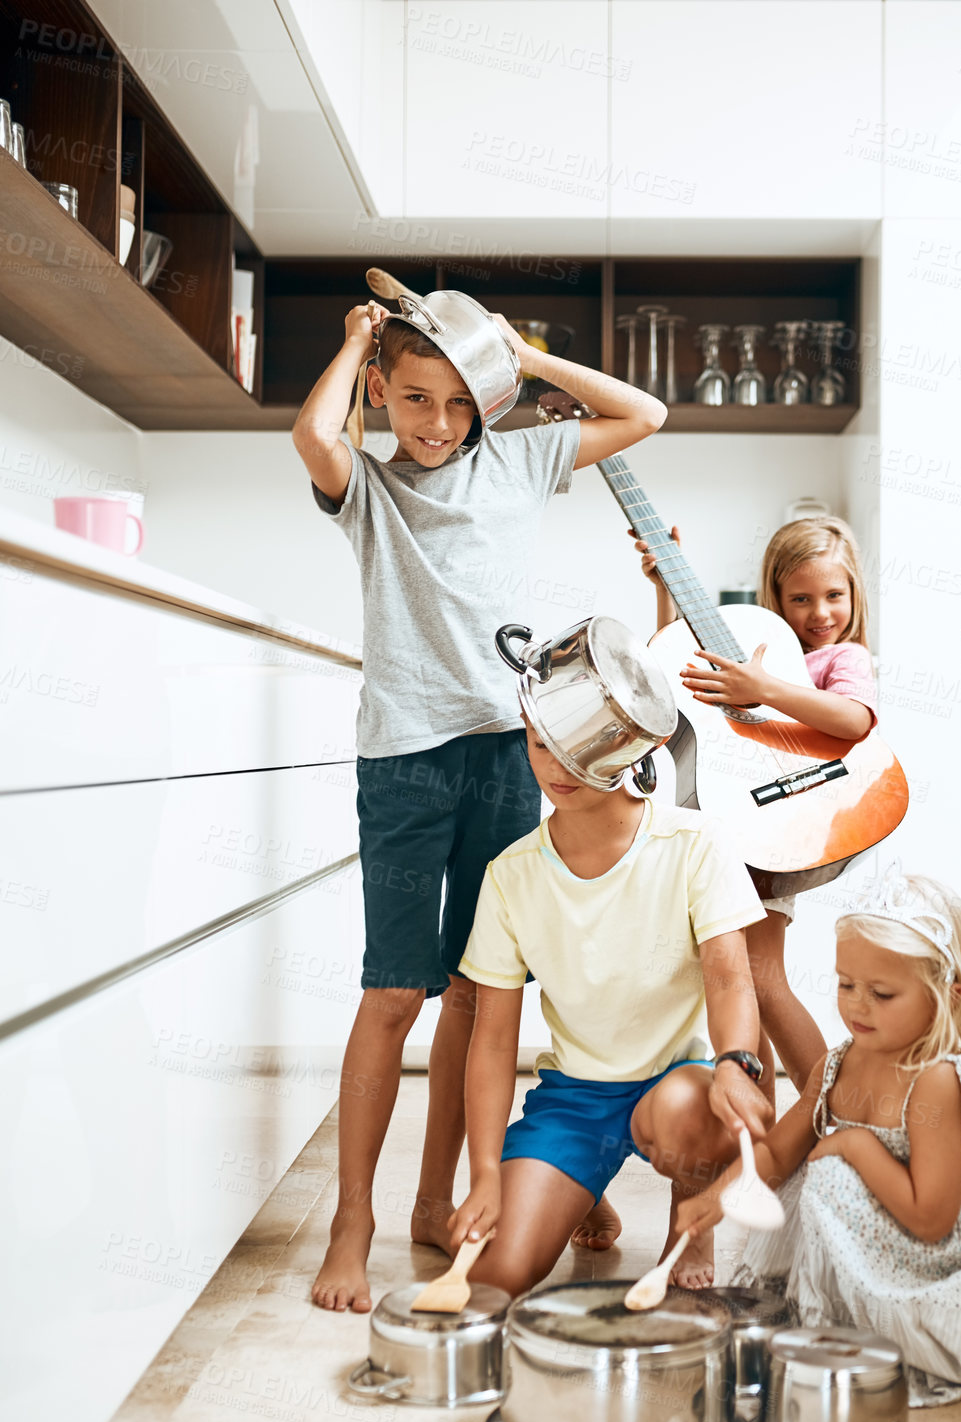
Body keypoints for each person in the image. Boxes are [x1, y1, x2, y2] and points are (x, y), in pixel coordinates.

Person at [293, 296, 665, 1311]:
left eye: (460, 402)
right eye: (415, 398)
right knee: (392, 994)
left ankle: (440, 1199)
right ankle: (351, 1222)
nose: (439, 422)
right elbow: (311, 435)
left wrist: (527, 356)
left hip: (507, 752)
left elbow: (644, 415)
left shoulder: (520, 457)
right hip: (405, 763)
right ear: (382, 390)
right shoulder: (368, 486)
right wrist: (354, 339)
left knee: (475, 990)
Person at [676, 866, 961, 1404]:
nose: (856, 1005)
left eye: (882, 993)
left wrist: (855, 1145)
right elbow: (778, 1149)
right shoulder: (837, 1065)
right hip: (870, 1230)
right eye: (845, 984)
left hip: (930, 1248)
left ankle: (877, 1316)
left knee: (831, 1174)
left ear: (947, 994)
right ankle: (840, 1309)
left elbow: (933, 1220)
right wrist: (716, 1197)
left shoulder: (934, 1082)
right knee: (817, 1175)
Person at [447, 704, 774, 1296]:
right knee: (499, 1274)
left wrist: (733, 1064)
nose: (558, 766)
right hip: (576, 1098)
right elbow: (492, 1040)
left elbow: (730, 978)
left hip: (681, 1082)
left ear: (628, 743)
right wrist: (485, 1175)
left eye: (580, 744)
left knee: (685, 1116)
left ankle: (690, 1219)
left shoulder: (694, 841)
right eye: (542, 744)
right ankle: (586, 1191)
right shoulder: (508, 874)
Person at [637, 514, 876, 1097]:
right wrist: (666, 592)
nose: (820, 613)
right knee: (736, 986)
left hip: (780, 824)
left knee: (764, 980)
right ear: (776, 598)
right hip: (727, 824)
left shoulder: (843, 660)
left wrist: (766, 690)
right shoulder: (752, 653)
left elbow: (855, 718)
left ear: (854, 596)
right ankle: (760, 1129)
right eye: (801, 598)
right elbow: (672, 675)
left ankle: (840, 1115)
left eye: (833, 596)